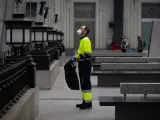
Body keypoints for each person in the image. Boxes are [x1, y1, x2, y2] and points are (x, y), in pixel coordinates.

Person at [71, 26, 92, 109]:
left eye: (81, 28)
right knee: (83, 83)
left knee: (86, 84)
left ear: (85, 31)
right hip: (82, 64)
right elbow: (81, 52)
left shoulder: (86, 40)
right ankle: (85, 102)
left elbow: (87, 54)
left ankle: (87, 103)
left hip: (85, 64)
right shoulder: (82, 40)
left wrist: (76, 57)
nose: (79, 29)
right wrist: (75, 56)